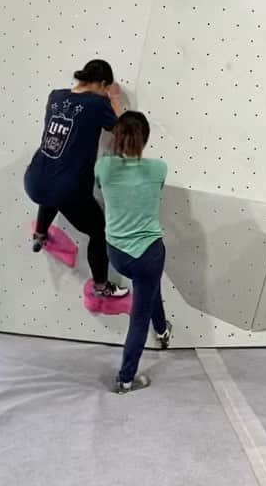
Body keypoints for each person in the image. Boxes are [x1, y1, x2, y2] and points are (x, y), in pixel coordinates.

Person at [24, 59, 128, 299]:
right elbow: (124, 129)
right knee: (99, 231)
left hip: (33, 180)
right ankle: (102, 287)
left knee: (51, 181)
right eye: (105, 87)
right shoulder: (97, 103)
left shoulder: (55, 96)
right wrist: (113, 99)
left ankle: (40, 234)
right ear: (102, 83)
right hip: (67, 190)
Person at [95, 111, 172, 392]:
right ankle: (126, 379)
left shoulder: (104, 168)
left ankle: (162, 331)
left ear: (116, 137)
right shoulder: (159, 168)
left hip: (117, 254)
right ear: (146, 139)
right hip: (149, 253)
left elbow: (103, 187)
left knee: (150, 288)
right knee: (140, 317)